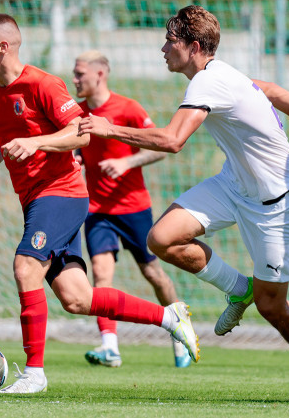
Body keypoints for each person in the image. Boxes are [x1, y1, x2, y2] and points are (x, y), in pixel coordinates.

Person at [78, 5, 289, 403]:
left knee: (274, 307)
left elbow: (172, 141)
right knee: (162, 238)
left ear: (194, 46)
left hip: (275, 201)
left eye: (170, 40)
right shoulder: (218, 75)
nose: (163, 47)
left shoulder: (208, 83)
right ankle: (239, 289)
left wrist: (108, 128)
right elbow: (272, 90)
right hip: (234, 185)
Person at [0, 13, 198, 395]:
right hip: (33, 200)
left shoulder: (43, 84)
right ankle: (169, 316)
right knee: (77, 298)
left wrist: (37, 142)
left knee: (26, 267)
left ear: (3, 47)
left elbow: (81, 134)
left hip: (62, 193)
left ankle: (34, 374)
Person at [71, 50, 190, 368]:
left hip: (133, 208)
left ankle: (180, 330)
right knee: (100, 274)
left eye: (80, 73)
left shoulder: (128, 108)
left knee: (153, 272)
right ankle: (110, 346)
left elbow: (161, 150)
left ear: (100, 74)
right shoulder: (79, 114)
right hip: (96, 209)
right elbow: (77, 152)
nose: (75, 79)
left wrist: (127, 161)